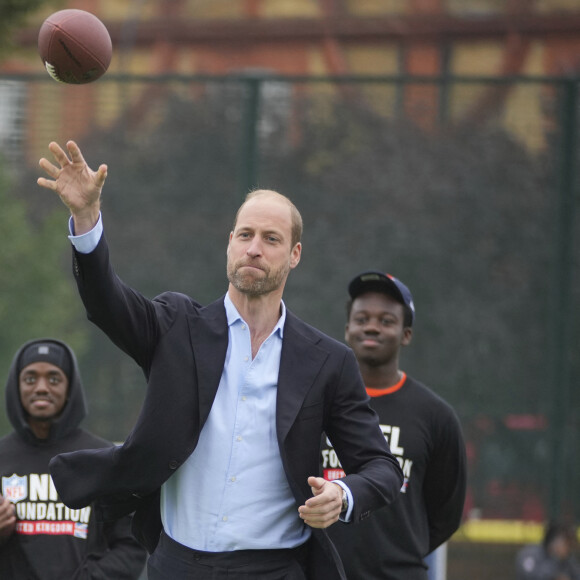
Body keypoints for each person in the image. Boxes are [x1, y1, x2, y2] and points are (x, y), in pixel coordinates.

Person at [36, 140, 404, 580]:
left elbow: (382, 468)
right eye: (245, 235)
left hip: (278, 568)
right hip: (176, 564)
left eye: (271, 239)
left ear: (294, 255)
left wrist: (343, 495)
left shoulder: (328, 361)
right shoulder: (175, 326)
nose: (254, 248)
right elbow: (105, 302)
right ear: (229, 243)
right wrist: (86, 218)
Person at [320, 271, 467, 580]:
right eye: (362, 319)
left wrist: (401, 553)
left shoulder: (436, 416)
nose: (372, 326)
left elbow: (446, 512)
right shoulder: (316, 404)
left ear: (406, 334)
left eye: (386, 321)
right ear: (347, 329)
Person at [0, 338, 147, 579]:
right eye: (29, 379)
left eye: (54, 379)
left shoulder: (102, 457)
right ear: (16, 387)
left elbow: (131, 545)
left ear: (70, 388)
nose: (41, 387)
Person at [516, 521, 580, 580]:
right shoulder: (530, 553)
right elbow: (530, 576)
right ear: (554, 540)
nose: (568, 547)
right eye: (565, 542)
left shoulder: (567, 559)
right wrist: (555, 561)